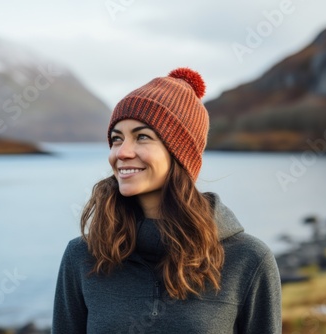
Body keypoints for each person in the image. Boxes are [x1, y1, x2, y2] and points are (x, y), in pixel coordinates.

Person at [52, 67, 282, 333]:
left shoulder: (248, 260)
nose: (122, 152)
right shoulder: (83, 256)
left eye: (142, 137)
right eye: (117, 139)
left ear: (179, 153)